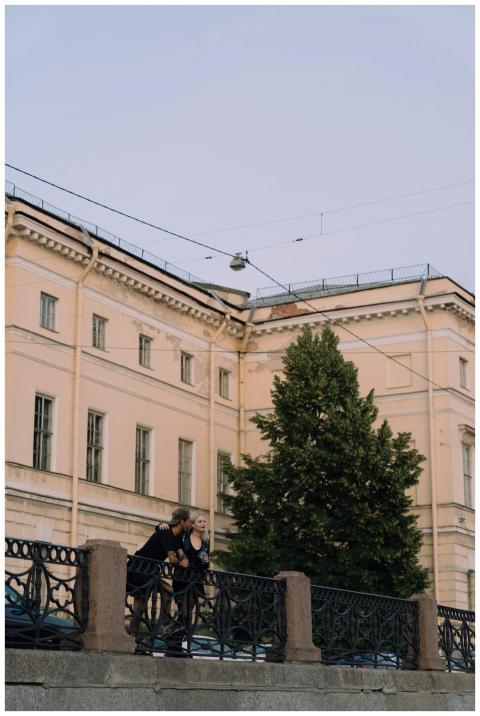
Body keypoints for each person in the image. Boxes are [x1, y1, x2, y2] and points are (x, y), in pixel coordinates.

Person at [126, 507, 191, 628]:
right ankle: (137, 633)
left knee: (160, 594)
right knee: (141, 602)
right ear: (182, 521)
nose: (189, 524)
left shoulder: (176, 537)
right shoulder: (166, 532)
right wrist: (179, 561)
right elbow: (172, 558)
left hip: (149, 570)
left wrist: (184, 559)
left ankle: (162, 626)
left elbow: (182, 555)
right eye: (189, 521)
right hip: (139, 568)